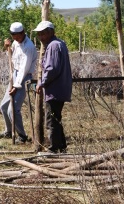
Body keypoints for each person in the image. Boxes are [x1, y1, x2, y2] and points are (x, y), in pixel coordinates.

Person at [33, 21, 72, 153]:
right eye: (39, 34)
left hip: (55, 90)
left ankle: (54, 148)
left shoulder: (53, 46)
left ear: (51, 32)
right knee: (56, 118)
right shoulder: (59, 44)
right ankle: (61, 146)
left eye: (43, 34)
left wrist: (42, 82)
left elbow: (51, 69)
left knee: (51, 120)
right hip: (60, 88)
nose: (41, 37)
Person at [0, 22, 37, 144]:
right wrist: (7, 47)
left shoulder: (28, 47)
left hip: (24, 78)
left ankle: (22, 136)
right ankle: (9, 131)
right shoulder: (16, 42)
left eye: (17, 36)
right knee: (4, 106)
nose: (15, 38)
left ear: (23, 32)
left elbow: (24, 69)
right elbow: (12, 56)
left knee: (13, 109)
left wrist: (16, 85)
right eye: (13, 36)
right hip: (15, 74)